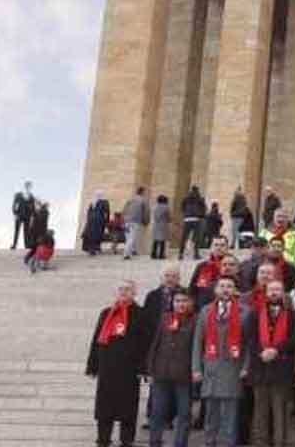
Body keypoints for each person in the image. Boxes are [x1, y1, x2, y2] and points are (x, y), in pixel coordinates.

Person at [87, 279, 150, 447]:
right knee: (104, 407)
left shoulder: (141, 313)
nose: (124, 292)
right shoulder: (106, 312)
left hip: (129, 369)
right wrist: (93, 365)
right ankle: (103, 439)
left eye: (128, 289)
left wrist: (144, 368)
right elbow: (96, 339)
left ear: (134, 293)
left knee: (128, 408)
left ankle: (127, 441)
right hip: (107, 368)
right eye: (121, 289)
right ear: (115, 292)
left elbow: (146, 343)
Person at [243, 280, 295, 447]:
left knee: (280, 411)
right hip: (260, 369)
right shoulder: (254, 314)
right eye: (271, 290)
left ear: (283, 292)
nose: (274, 293)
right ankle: (260, 442)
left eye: (278, 289)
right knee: (260, 412)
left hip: (282, 370)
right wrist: (262, 352)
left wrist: (276, 350)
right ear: (266, 292)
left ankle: (280, 441)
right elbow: (250, 338)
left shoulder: (293, 315)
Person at [192, 276, 248, 447]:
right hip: (211, 367)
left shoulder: (245, 312)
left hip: (233, 366)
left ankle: (228, 442)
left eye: (229, 286)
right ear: (216, 290)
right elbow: (198, 342)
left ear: (235, 290)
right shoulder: (206, 311)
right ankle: (210, 441)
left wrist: (246, 367)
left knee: (230, 414)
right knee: (211, 412)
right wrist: (196, 368)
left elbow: (249, 344)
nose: (225, 289)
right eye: (222, 286)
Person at [147, 288, 196, 447]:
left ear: (190, 303)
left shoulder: (195, 321)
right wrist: (150, 369)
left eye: (184, 301)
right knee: (157, 412)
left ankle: (180, 443)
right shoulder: (165, 318)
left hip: (184, 375)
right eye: (177, 301)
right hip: (161, 373)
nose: (180, 304)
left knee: (184, 413)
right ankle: (155, 442)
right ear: (172, 303)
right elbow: (155, 344)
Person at [121, 187, 150, 260]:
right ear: (142, 192)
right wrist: (146, 222)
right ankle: (126, 254)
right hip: (135, 221)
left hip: (127, 221)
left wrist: (123, 219)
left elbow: (124, 210)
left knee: (128, 238)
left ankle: (129, 252)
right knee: (132, 238)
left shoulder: (130, 199)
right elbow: (146, 212)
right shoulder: (143, 200)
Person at [180, 186, 208, 261]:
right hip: (196, 219)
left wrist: (185, 214)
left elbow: (182, 207)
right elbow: (204, 208)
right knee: (196, 238)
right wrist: (201, 215)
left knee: (184, 237)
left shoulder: (186, 198)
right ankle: (196, 254)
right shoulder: (199, 198)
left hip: (187, 219)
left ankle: (180, 253)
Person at [83, 190, 111, 255]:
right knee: (98, 234)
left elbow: (89, 212)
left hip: (91, 220)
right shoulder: (105, 201)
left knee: (91, 234)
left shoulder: (93, 202)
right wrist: (107, 221)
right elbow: (107, 212)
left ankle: (92, 249)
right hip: (99, 219)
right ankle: (95, 248)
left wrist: (88, 220)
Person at [11, 180, 35, 249]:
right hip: (19, 215)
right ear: (25, 186)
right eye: (27, 186)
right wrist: (15, 214)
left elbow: (33, 208)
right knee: (17, 230)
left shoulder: (31, 197)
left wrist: (32, 216)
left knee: (26, 232)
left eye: (30, 186)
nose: (28, 187)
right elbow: (14, 205)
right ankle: (14, 245)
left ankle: (27, 245)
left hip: (27, 216)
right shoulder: (18, 195)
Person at [151, 195, 172, 260]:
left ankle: (153, 254)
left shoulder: (154, 207)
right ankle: (161, 254)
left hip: (155, 224)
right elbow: (169, 217)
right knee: (163, 241)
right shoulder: (166, 207)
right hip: (163, 225)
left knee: (155, 240)